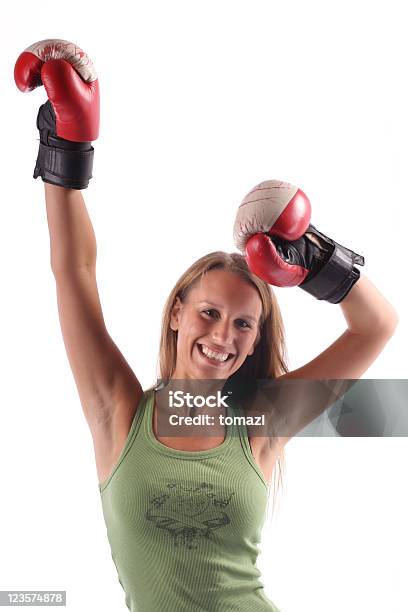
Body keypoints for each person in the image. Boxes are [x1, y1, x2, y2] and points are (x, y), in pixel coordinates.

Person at [15, 39, 399, 612]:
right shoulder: (118, 412)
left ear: (256, 340)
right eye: (210, 313)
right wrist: (65, 151)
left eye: (245, 324)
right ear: (176, 314)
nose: (224, 336)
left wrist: (316, 261)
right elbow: (74, 272)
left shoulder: (262, 421)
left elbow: (377, 326)